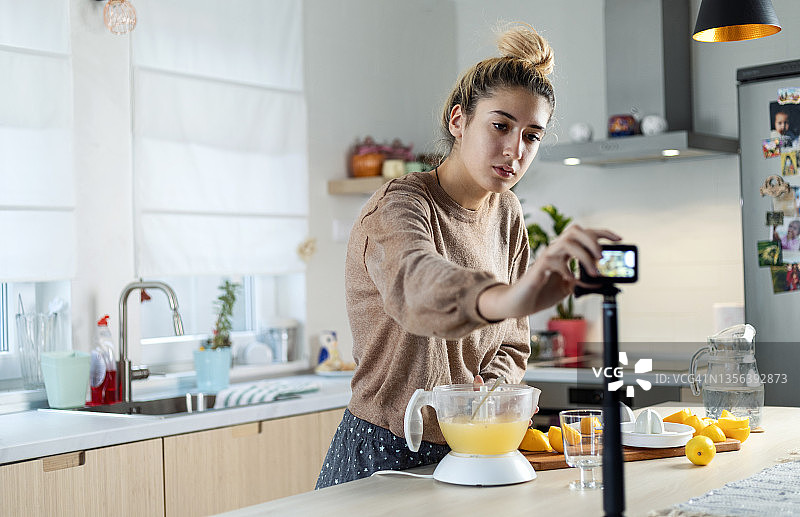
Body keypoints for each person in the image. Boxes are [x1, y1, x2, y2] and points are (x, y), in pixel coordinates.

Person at [315, 24, 620, 489]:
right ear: (458, 121)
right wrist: (512, 297)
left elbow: (513, 345)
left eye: (532, 136)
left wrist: (493, 393)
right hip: (385, 449)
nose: (515, 151)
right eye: (500, 126)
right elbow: (418, 289)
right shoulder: (400, 205)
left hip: (472, 449)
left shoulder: (508, 212)